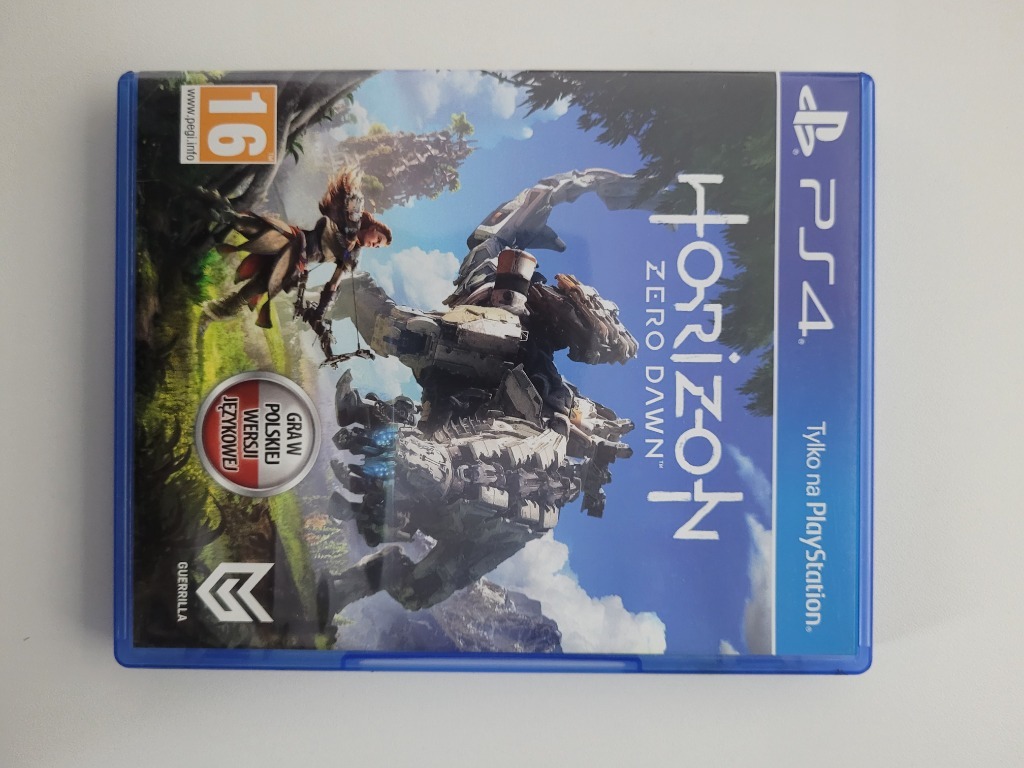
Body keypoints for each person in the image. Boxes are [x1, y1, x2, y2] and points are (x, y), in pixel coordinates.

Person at [205, 169, 392, 329]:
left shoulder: (352, 256)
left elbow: (333, 284)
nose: (374, 245)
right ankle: (215, 207)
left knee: (258, 286)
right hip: (296, 238)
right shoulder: (353, 220)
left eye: (377, 246)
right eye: (378, 240)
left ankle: (214, 313)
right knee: (250, 226)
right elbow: (354, 200)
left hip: (297, 260)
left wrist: (320, 312)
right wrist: (353, 222)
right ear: (374, 228)